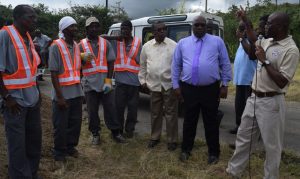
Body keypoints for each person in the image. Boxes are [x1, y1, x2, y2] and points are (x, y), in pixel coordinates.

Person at [226, 9, 299, 179]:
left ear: (280, 27)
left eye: (269, 24)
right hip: (253, 98)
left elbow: (282, 81)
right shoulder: (268, 41)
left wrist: (265, 61)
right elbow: (252, 40)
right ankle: (234, 172)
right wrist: (245, 19)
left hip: (271, 101)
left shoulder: (291, 49)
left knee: (271, 146)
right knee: (244, 138)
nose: (265, 27)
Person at [172, 15, 232, 164]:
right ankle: (186, 150)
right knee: (189, 121)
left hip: (210, 89)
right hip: (188, 89)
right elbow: (176, 65)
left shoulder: (217, 42)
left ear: (206, 27)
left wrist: (224, 85)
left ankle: (213, 153)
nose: (199, 27)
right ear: (192, 26)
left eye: (202, 25)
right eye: (197, 25)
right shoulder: (182, 43)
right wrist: (176, 86)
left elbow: (225, 64)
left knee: (210, 121)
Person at [0, 5, 42, 179]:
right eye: (30, 17)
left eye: (35, 17)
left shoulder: (27, 37)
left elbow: (30, 71)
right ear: (17, 17)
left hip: (32, 100)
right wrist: (7, 97)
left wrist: (37, 94)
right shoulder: (4, 35)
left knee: (34, 142)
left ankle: (31, 173)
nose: (34, 20)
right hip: (15, 102)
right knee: (17, 146)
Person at [80, 17, 125, 144]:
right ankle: (95, 134)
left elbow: (111, 63)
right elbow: (75, 64)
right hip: (89, 84)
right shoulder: (80, 45)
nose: (94, 28)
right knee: (92, 111)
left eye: (96, 26)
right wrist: (81, 57)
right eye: (91, 26)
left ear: (99, 28)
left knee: (110, 108)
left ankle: (115, 132)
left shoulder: (106, 43)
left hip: (105, 82)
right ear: (87, 29)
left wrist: (108, 81)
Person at [49, 16, 84, 162]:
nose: (75, 29)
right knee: (61, 125)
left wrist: (81, 91)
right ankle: (59, 152)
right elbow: (53, 73)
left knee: (75, 123)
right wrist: (60, 97)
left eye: (75, 26)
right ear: (64, 29)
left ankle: (70, 147)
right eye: (71, 26)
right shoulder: (56, 46)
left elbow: (77, 69)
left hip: (76, 92)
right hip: (62, 94)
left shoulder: (76, 45)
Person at [139, 21, 178, 151]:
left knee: (171, 113)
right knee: (155, 113)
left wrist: (178, 84)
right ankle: (155, 137)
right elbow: (143, 65)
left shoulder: (174, 45)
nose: (162, 32)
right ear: (153, 32)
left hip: (169, 84)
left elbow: (178, 66)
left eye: (164, 29)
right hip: (153, 85)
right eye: (159, 30)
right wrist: (142, 81)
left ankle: (172, 140)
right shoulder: (147, 47)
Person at [113, 20, 142, 138]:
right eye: (122, 28)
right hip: (120, 81)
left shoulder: (137, 42)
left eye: (126, 28)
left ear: (131, 29)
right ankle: (118, 130)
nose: (124, 30)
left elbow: (141, 61)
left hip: (134, 82)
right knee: (118, 107)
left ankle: (130, 130)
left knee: (133, 109)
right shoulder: (117, 42)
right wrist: (115, 36)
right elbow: (101, 38)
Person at [229, 21, 257, 134]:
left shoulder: (253, 40)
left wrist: (241, 39)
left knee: (249, 108)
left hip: (250, 80)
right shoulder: (242, 42)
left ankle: (249, 130)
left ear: (250, 29)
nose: (242, 31)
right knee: (239, 105)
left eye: (244, 28)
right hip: (240, 80)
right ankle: (239, 126)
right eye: (240, 29)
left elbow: (250, 54)